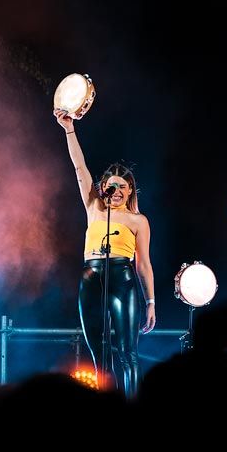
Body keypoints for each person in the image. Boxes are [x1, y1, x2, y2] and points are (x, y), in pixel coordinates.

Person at [55, 109, 156, 397]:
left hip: (122, 277)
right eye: (113, 186)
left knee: (127, 352)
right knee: (99, 354)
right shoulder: (94, 208)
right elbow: (79, 168)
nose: (119, 191)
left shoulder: (138, 221)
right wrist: (68, 129)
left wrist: (150, 301)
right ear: (104, 188)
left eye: (124, 187)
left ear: (131, 190)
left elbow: (144, 264)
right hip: (91, 276)